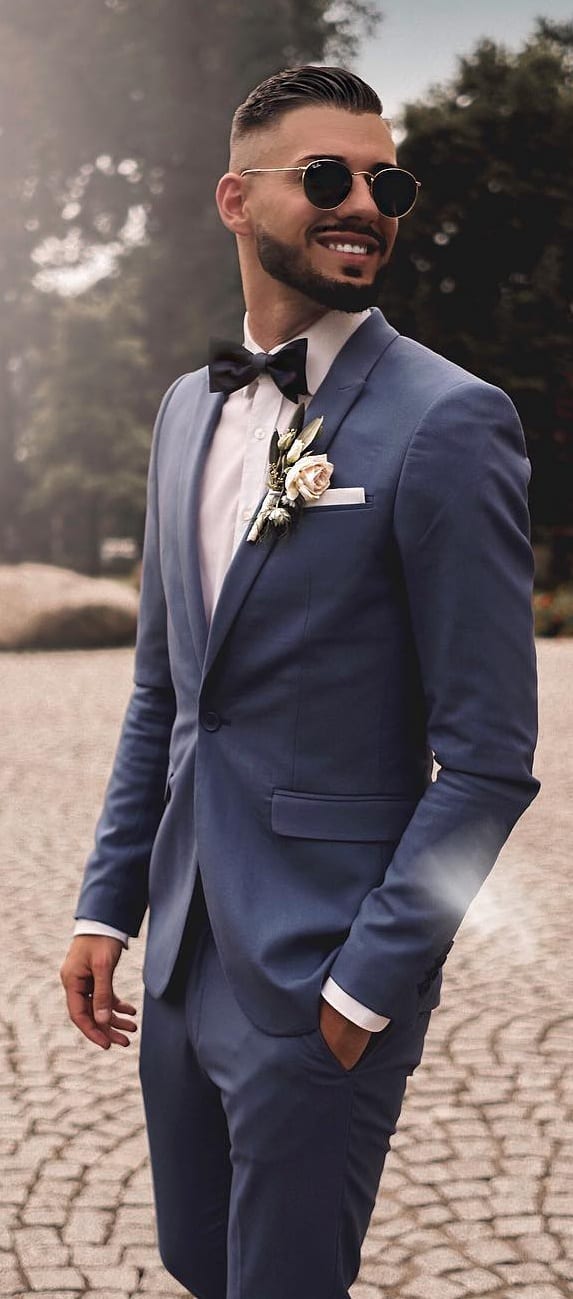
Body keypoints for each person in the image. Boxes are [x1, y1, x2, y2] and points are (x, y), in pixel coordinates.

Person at [61, 64, 540, 1299]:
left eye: (388, 182)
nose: (365, 202)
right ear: (236, 198)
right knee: (193, 1264)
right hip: (177, 967)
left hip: (320, 984)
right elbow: (167, 694)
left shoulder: (452, 422)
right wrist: (106, 910)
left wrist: (365, 989)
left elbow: (488, 759)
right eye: (328, 176)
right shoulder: (184, 414)